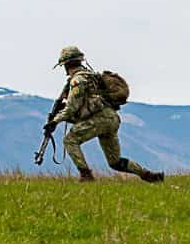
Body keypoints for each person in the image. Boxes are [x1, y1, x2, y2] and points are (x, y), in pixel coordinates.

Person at [51, 46, 164, 183]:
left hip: (100, 119)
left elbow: (71, 108)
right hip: (111, 118)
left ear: (66, 65)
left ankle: (86, 176)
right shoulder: (91, 76)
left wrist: (54, 121)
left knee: (70, 140)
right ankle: (149, 175)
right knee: (115, 161)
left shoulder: (77, 81)